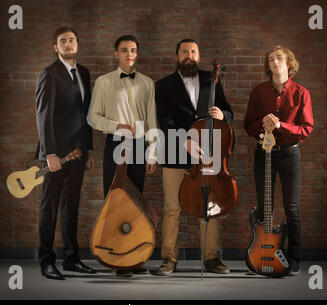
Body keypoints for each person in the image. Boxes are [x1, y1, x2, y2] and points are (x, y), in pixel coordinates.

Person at [155, 39, 234, 275]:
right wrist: (184, 141)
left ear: (198, 56)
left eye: (193, 51)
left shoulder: (213, 80)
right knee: (171, 209)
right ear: (177, 55)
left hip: (207, 157)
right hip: (174, 156)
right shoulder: (164, 85)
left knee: (207, 208)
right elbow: (164, 120)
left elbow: (228, 110)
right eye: (184, 51)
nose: (188, 55)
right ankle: (168, 259)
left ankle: (211, 258)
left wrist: (223, 114)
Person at [87, 35, 158, 277]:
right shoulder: (103, 82)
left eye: (133, 50)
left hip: (139, 145)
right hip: (116, 143)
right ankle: (117, 259)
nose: (129, 53)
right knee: (115, 202)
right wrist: (116, 126)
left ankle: (133, 259)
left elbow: (152, 120)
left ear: (137, 54)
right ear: (115, 53)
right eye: (124, 50)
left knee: (136, 203)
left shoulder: (148, 83)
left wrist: (153, 152)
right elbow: (93, 117)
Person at [244, 45, 314, 276]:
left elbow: (306, 128)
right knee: (265, 208)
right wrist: (262, 124)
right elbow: (249, 125)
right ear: (268, 65)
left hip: (289, 154)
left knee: (292, 208)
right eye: (271, 59)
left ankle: (294, 260)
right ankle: (266, 255)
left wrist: (281, 125)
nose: (275, 61)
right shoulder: (258, 91)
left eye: (280, 58)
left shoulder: (301, 93)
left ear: (289, 63)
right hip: (263, 153)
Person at [35, 27, 95, 280]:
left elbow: (86, 115)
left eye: (72, 40)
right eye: (63, 41)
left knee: (72, 207)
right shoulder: (48, 73)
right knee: (49, 207)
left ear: (77, 44)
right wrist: (50, 153)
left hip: (78, 153)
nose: (68, 45)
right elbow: (43, 115)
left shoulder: (83, 72)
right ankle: (46, 261)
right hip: (56, 156)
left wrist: (89, 149)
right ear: (55, 47)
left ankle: (71, 259)